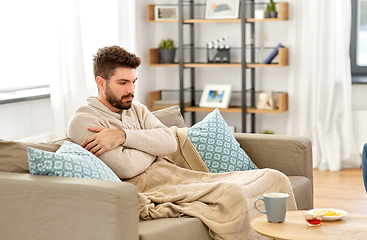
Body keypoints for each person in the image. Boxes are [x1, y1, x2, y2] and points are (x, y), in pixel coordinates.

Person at [67, 45, 296, 240]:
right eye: (123, 82)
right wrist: (152, 148)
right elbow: (127, 167)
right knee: (233, 195)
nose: (131, 90)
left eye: (134, 82)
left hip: (175, 173)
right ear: (101, 82)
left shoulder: (137, 109)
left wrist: (123, 137)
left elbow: (169, 143)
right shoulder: (84, 121)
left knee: (275, 177)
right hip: (153, 188)